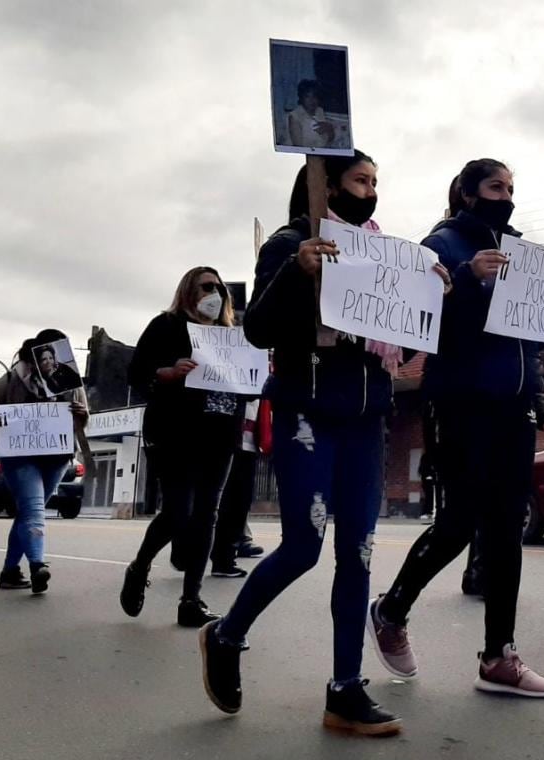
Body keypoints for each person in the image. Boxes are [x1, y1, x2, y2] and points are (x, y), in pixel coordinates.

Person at [199, 150, 448, 736]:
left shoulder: (386, 253)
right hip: (306, 411)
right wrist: (298, 272)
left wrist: (432, 293)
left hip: (367, 418)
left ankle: (345, 690)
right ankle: (227, 635)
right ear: (326, 184)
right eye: (361, 180)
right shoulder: (289, 245)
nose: (371, 190)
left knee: (357, 555)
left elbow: (406, 340)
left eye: (376, 182)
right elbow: (256, 327)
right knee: (303, 547)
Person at [368, 158, 544, 698]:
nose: (506, 195)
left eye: (512, 187)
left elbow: (529, 343)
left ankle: (499, 656)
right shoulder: (442, 244)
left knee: (507, 525)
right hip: (460, 402)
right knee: (460, 521)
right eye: (495, 186)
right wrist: (469, 277)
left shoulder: (521, 253)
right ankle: (392, 609)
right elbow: (418, 314)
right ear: (468, 193)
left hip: (512, 408)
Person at [119, 267, 243, 627]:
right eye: (207, 286)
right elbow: (136, 372)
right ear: (189, 290)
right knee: (179, 511)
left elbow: (247, 386)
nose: (215, 293)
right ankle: (139, 567)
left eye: (219, 288)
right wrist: (168, 372)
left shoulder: (230, 336)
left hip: (219, 435)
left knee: (207, 513)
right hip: (175, 432)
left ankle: (191, 599)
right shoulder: (166, 326)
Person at [0, 330, 89, 594]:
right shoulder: (12, 378)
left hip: (56, 456)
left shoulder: (70, 381)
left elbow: (83, 421)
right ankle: (37, 564)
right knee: (33, 508)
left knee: (28, 512)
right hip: (20, 456)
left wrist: (81, 413)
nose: (50, 361)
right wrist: (0, 417)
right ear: (35, 354)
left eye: (54, 355)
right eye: (45, 356)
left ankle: (9, 571)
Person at [209, 400, 263, 578]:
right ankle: (211, 555)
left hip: (250, 438)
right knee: (219, 500)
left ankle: (225, 558)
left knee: (240, 501)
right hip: (225, 435)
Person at [287, 79, 338, 149]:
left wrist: (329, 128)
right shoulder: (294, 116)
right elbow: (298, 147)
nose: (312, 100)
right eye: (307, 96)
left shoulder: (319, 111)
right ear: (301, 98)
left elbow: (329, 140)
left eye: (315, 96)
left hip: (323, 151)